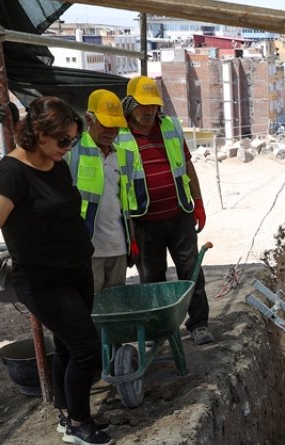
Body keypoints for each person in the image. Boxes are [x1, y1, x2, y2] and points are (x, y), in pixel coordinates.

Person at [0, 96, 112, 445]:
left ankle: (67, 414)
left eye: (73, 140)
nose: (69, 147)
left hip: (76, 269)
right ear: (38, 133)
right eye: (63, 140)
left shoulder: (56, 163)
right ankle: (80, 422)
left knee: (67, 348)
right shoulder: (11, 173)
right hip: (43, 280)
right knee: (87, 349)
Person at [124, 75, 215, 345]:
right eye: (142, 105)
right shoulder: (118, 135)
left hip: (179, 215)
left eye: (152, 105)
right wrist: (128, 234)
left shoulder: (170, 128)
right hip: (144, 221)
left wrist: (198, 203)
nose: (149, 110)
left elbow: (188, 166)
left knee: (191, 272)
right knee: (152, 279)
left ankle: (198, 324)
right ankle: (159, 329)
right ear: (129, 104)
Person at [68, 88, 147, 292]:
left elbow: (127, 204)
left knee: (115, 304)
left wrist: (132, 240)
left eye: (116, 127)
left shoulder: (126, 157)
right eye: (106, 125)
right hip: (88, 249)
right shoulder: (72, 151)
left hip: (118, 248)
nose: (111, 132)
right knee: (90, 307)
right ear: (89, 119)